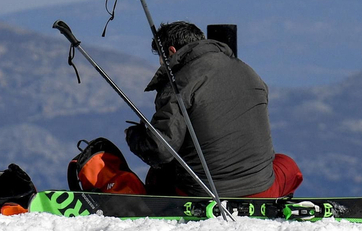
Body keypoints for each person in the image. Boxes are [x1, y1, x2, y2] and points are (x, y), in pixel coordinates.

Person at [123, 21, 303, 198]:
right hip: (262, 191)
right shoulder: (249, 73)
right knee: (286, 164)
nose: (161, 65)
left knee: (162, 172)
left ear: (172, 51)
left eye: (161, 59)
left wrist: (136, 135)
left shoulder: (179, 84)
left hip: (203, 193)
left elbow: (161, 151)